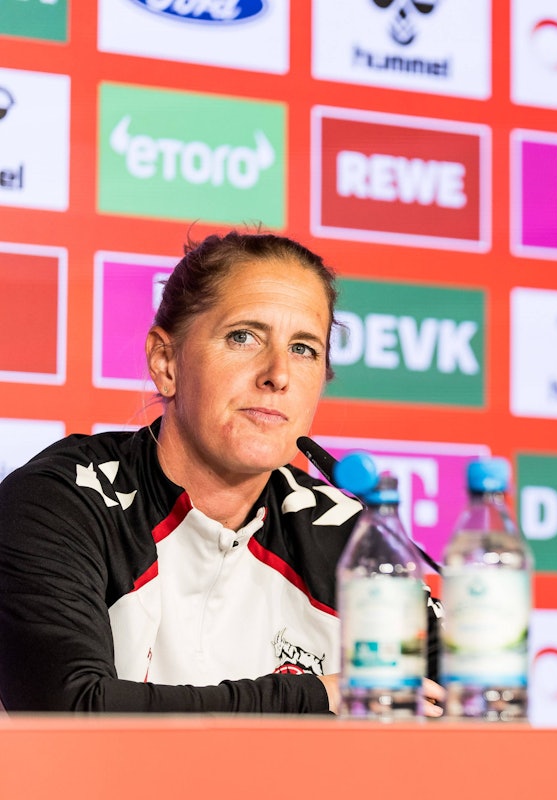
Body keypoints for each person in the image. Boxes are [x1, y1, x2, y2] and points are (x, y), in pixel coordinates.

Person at [0, 231, 443, 714]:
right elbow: (70, 712)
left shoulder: (350, 537)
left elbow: (475, 698)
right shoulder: (57, 503)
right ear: (166, 362)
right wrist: (321, 697)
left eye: (303, 348)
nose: (278, 374)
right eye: (243, 337)